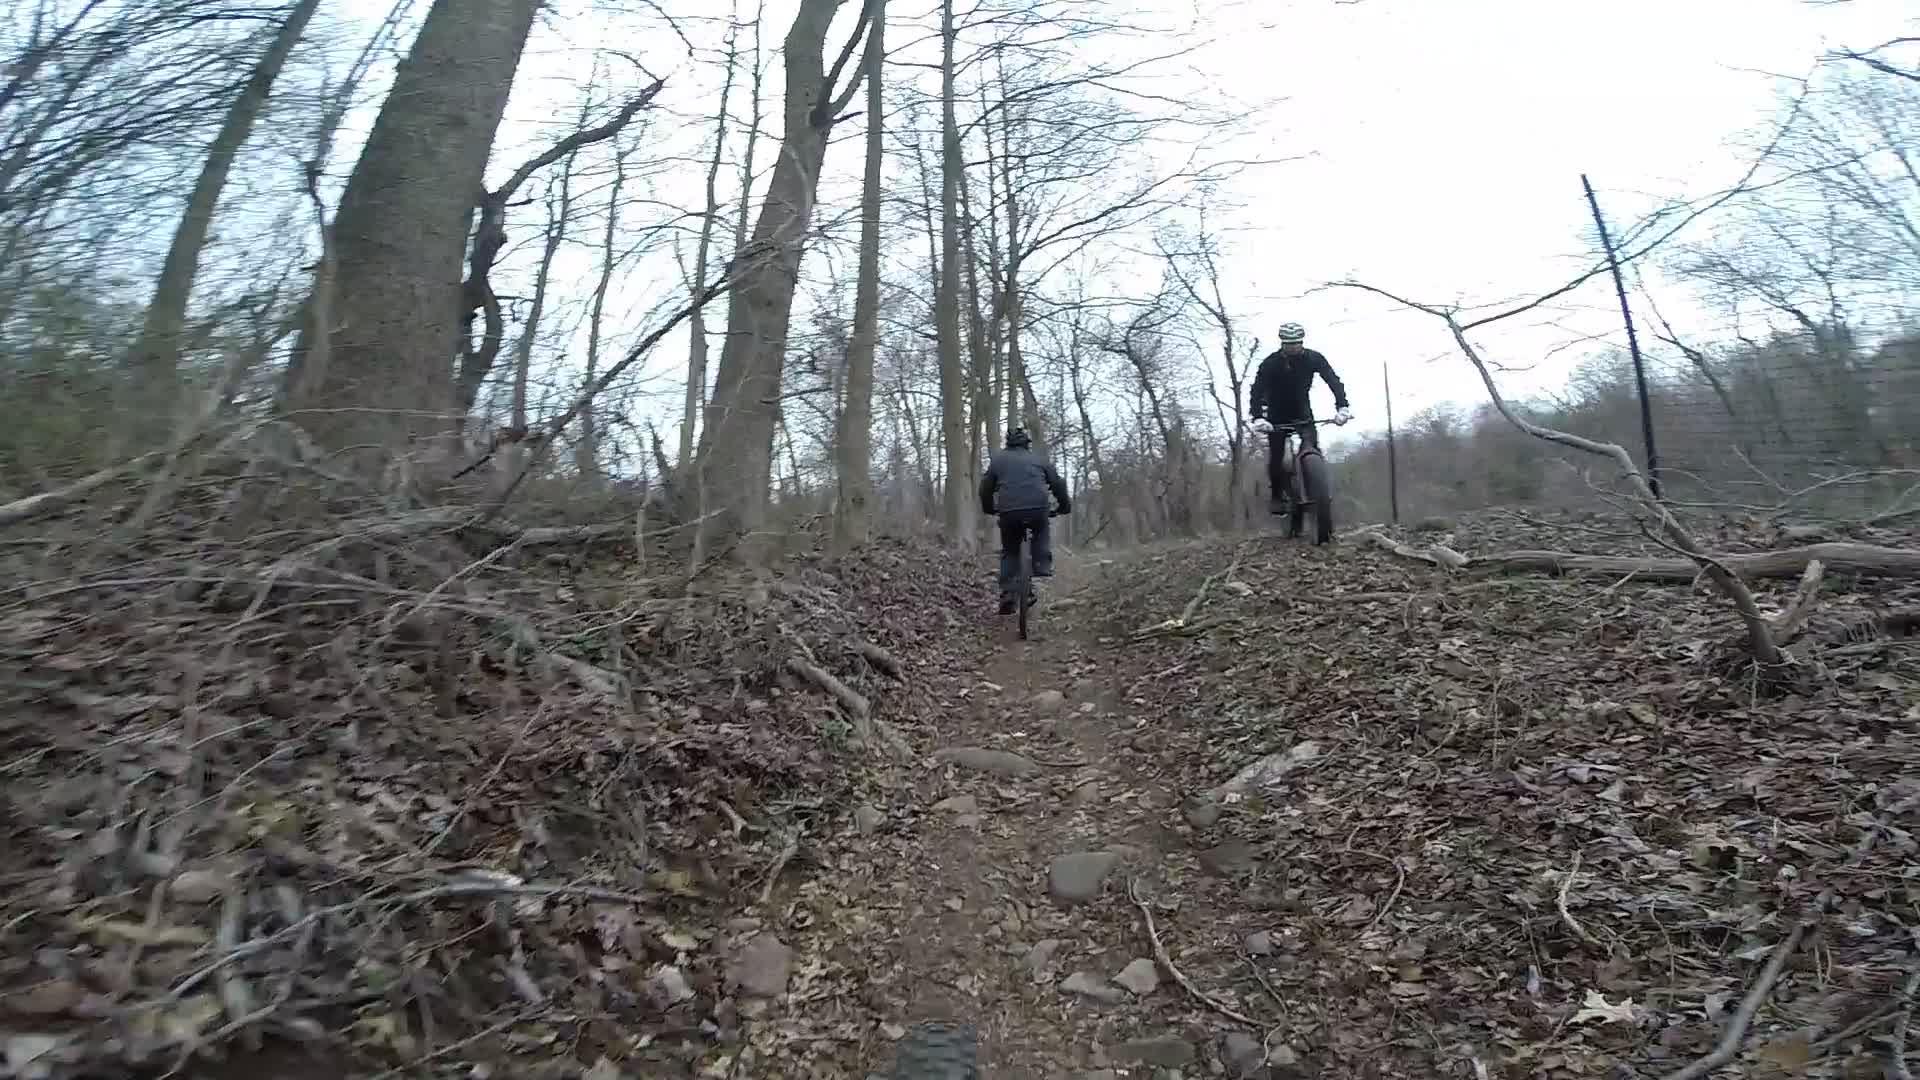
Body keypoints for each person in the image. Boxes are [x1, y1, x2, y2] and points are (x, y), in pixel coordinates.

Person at [1248, 321, 1351, 515]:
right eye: (1288, 343)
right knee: (1277, 457)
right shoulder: (1270, 363)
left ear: (1302, 342)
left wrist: (1342, 406)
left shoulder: (1314, 358)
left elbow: (1333, 380)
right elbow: (1257, 390)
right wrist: (1258, 417)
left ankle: (1317, 489)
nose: (1293, 347)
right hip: (1276, 414)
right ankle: (1277, 496)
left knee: (1313, 447)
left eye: (1296, 343)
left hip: (1303, 410)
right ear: (1282, 343)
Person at [979, 428, 1071, 614]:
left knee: (1010, 550)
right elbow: (1058, 484)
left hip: (1008, 512)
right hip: (1038, 508)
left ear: (1008, 443)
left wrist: (989, 508)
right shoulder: (1038, 459)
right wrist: (1063, 507)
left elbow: (985, 488)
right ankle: (1041, 563)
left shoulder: (998, 461)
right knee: (1041, 529)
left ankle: (1007, 592)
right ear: (1027, 443)